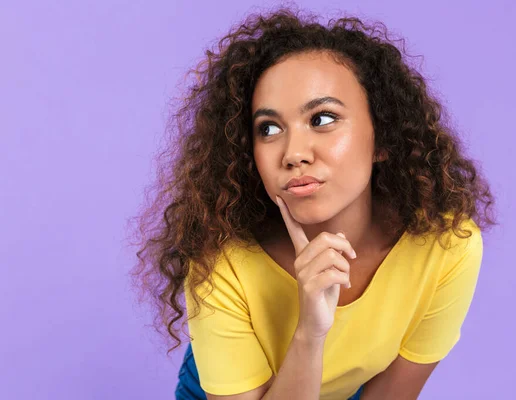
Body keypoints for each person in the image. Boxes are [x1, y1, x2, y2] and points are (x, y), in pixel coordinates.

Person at [130, 6, 497, 400]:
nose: (293, 153)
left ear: (384, 138)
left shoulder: (445, 246)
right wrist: (310, 331)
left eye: (322, 119)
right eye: (268, 128)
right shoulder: (221, 263)